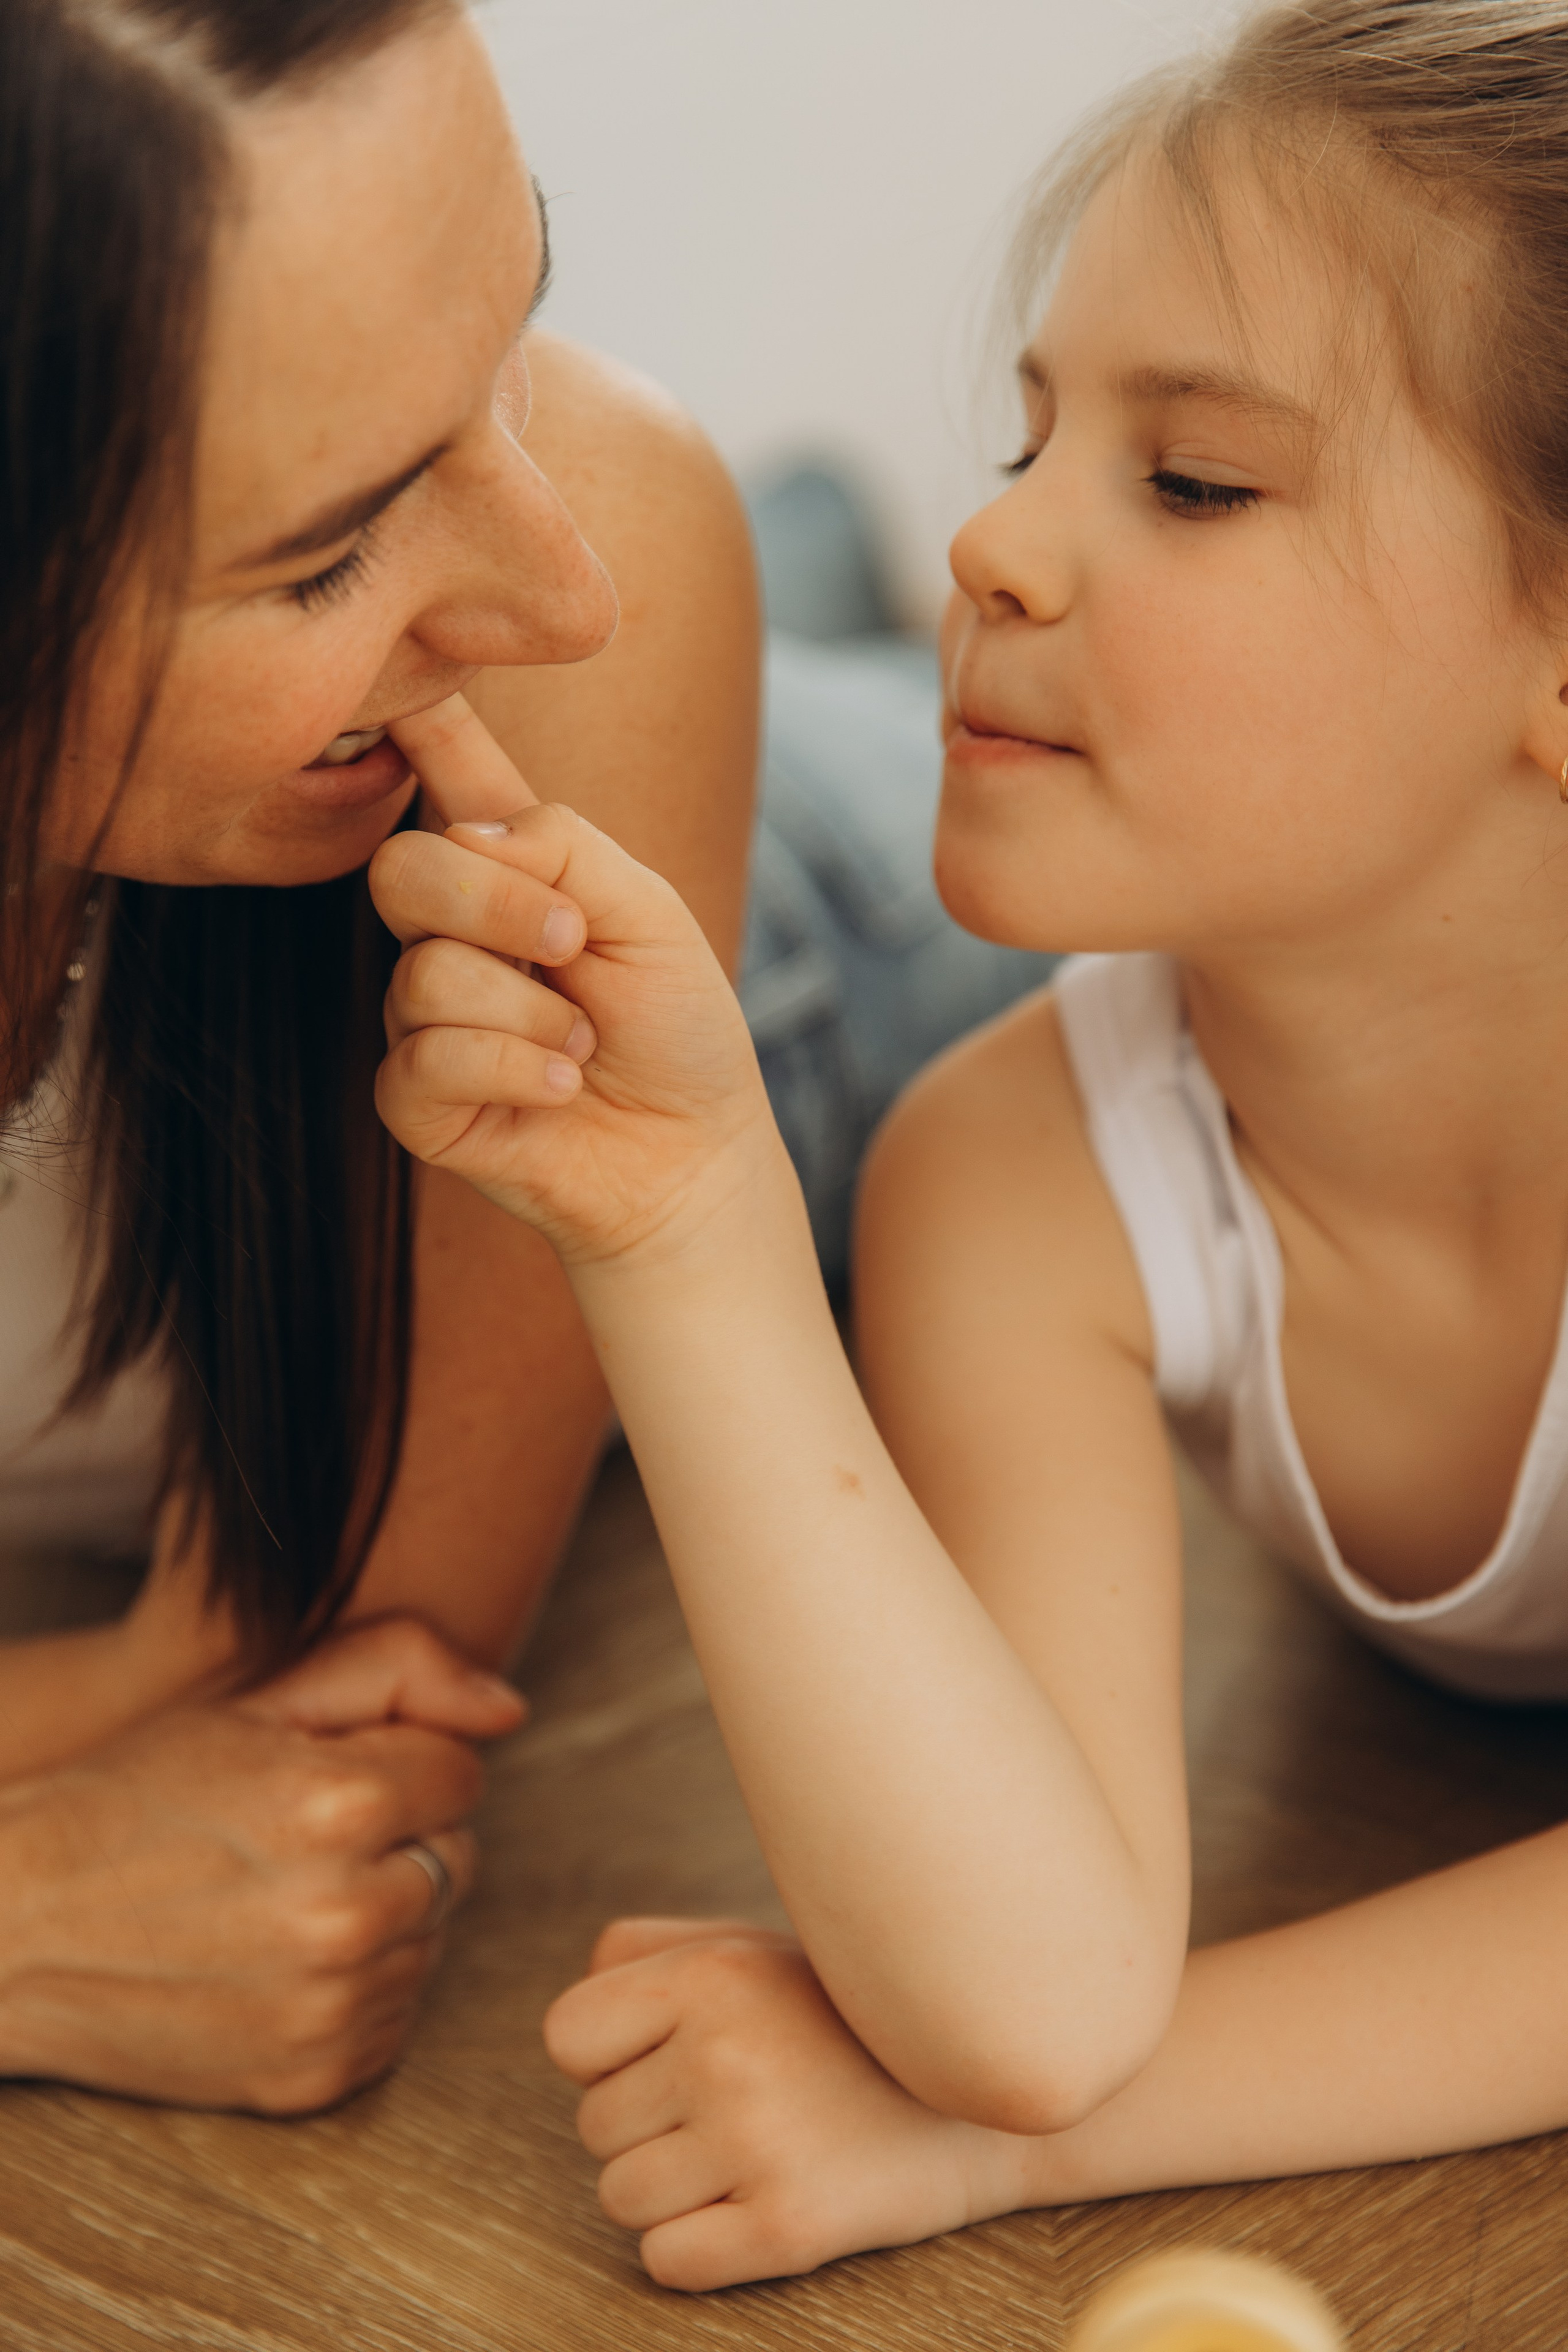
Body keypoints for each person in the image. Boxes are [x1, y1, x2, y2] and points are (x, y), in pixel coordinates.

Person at [370, 0, 1568, 2294]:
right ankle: (785, 552)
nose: (999, 542)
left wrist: (994, 2162)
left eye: (1193, 480)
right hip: (878, 884)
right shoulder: (1024, 1166)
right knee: (807, 752)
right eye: (1029, 437)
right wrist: (692, 1221)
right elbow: (1035, 1989)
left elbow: (1041, 2083)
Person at [0, 0, 756, 2113]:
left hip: (828, 927)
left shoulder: (609, 557)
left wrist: (163, 1689)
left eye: (514, 309)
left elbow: (329, 1686)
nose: (562, 587)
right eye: (326, 544)